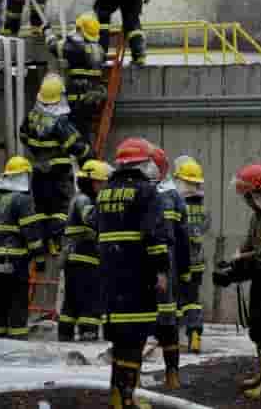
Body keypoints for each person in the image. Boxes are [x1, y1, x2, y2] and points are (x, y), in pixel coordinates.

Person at [97, 137, 172, 408]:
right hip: (137, 275)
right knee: (135, 338)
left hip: (110, 277)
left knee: (119, 339)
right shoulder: (146, 191)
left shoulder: (105, 191)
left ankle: (117, 396)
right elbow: (155, 235)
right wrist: (162, 270)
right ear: (143, 163)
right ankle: (129, 398)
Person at [214, 162, 261, 399]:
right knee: (258, 328)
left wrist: (238, 268)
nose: (247, 201)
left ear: (260, 194)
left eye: (249, 196)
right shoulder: (259, 217)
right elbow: (249, 247)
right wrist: (231, 265)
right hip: (260, 279)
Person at [18, 73, 91, 250]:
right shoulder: (60, 122)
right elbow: (77, 146)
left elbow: (22, 135)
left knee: (42, 209)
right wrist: (89, 157)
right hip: (59, 173)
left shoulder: (32, 118)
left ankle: (43, 241)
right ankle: (56, 242)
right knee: (62, 208)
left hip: (38, 171)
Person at [0, 155, 47, 340]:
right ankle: (17, 340)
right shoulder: (23, 200)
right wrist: (40, 258)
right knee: (17, 300)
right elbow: (31, 233)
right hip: (16, 261)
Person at [149, 146, 190, 390]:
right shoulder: (174, 197)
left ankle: (130, 381)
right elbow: (182, 239)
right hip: (167, 270)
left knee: (146, 322)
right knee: (168, 323)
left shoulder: (140, 193)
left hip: (147, 270)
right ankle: (172, 374)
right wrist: (184, 271)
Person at [59, 159, 112, 342]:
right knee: (89, 298)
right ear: (92, 182)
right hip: (84, 260)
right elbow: (93, 220)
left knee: (72, 301)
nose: (104, 187)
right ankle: (88, 332)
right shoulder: (84, 200)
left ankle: (65, 333)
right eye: (102, 183)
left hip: (78, 259)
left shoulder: (83, 198)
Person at [47, 13, 108, 134]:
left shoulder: (76, 48)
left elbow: (53, 47)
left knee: (75, 135)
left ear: (81, 29)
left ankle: (83, 152)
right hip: (92, 99)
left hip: (78, 101)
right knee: (84, 132)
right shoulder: (100, 49)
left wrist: (48, 32)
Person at [174, 155, 210, 354]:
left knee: (178, 301)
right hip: (198, 264)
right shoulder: (204, 208)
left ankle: (178, 337)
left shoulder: (178, 205)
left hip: (180, 262)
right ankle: (195, 335)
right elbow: (204, 228)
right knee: (193, 300)